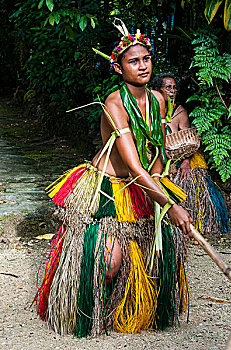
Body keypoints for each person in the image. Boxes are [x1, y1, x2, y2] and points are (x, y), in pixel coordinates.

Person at [32, 21, 193, 338]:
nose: (142, 66)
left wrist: (160, 177)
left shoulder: (160, 101)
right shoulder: (114, 104)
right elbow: (133, 165)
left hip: (144, 183)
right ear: (118, 68)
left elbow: (158, 150)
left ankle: (131, 307)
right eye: (134, 61)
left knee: (159, 250)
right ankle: (93, 309)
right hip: (107, 189)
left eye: (146, 59)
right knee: (109, 258)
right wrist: (170, 204)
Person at [153, 73, 229, 235]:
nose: (172, 91)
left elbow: (189, 138)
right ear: (157, 90)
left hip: (180, 158)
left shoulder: (180, 112)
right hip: (158, 160)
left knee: (188, 179)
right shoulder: (150, 112)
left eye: (174, 88)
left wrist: (187, 161)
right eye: (168, 87)